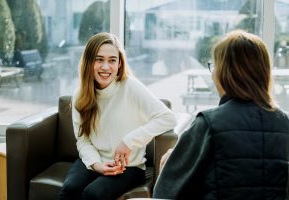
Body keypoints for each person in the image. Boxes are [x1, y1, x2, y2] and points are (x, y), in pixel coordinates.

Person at [153, 29, 289, 199]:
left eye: (214, 66)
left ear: (225, 72)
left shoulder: (209, 123)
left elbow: (167, 193)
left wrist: (170, 163)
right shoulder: (284, 123)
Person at [58, 32, 176, 200]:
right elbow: (83, 140)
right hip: (94, 161)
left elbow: (168, 118)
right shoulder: (80, 95)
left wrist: (128, 142)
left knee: (93, 195)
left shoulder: (131, 87)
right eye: (99, 59)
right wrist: (97, 165)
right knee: (69, 191)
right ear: (89, 62)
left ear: (120, 64)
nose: (106, 67)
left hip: (129, 167)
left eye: (112, 60)